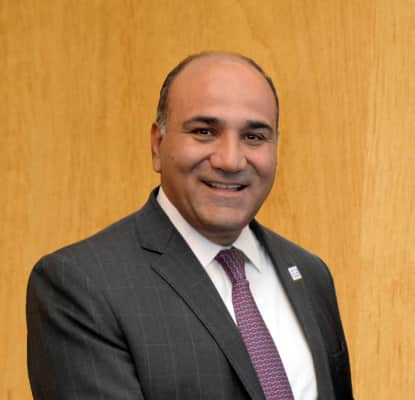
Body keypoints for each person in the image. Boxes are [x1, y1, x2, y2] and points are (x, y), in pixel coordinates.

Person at [26, 52, 354, 400]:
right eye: (204, 132)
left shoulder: (310, 274)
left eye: (254, 137)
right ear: (157, 145)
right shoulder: (81, 285)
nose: (230, 160)